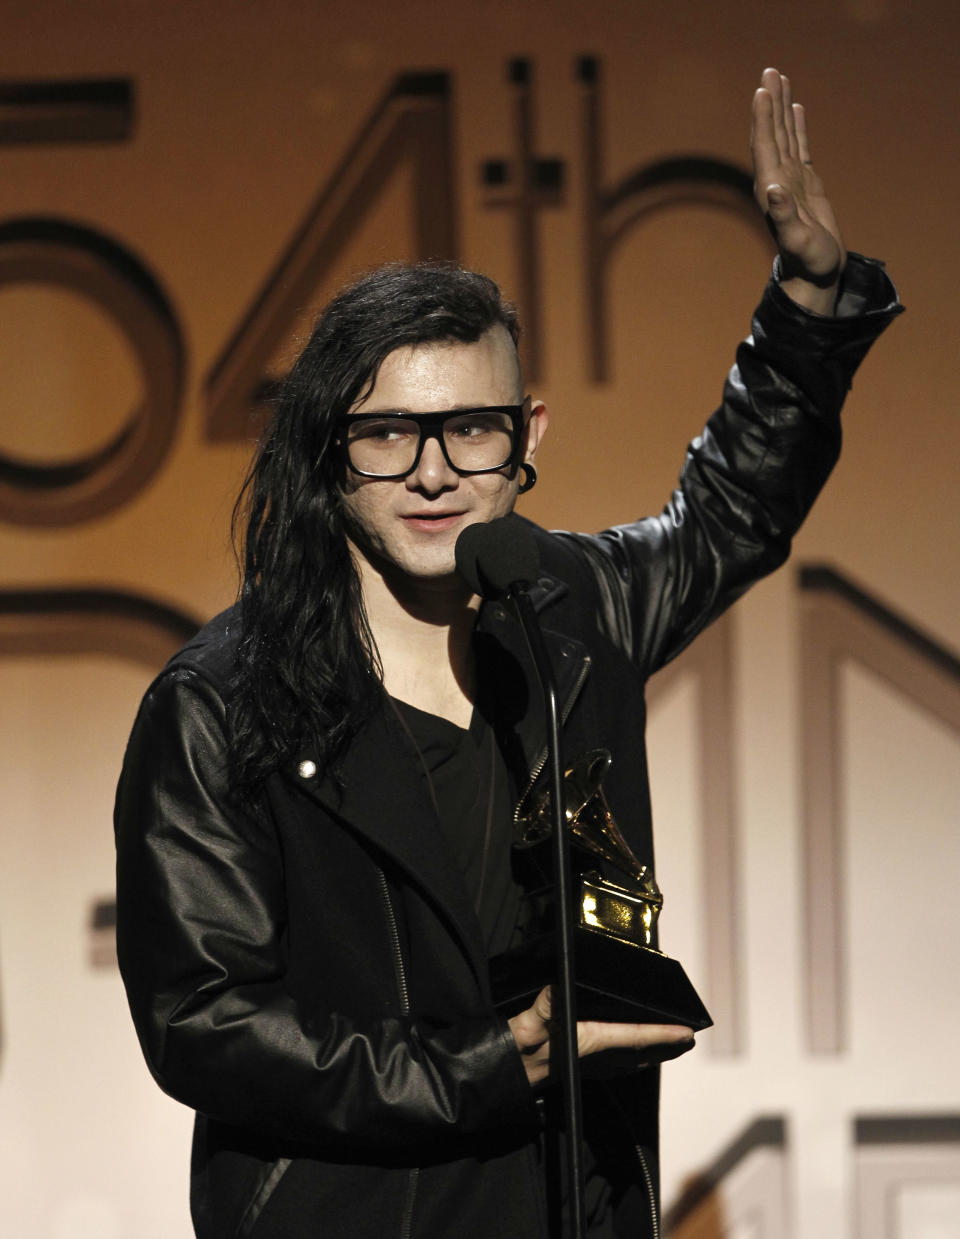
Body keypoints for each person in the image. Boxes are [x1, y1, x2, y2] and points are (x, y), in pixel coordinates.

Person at [114, 69, 901, 1239]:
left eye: (470, 429)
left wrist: (808, 296)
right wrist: (493, 1064)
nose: (434, 473)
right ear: (331, 451)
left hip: (570, 1201)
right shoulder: (220, 703)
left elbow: (734, 509)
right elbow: (205, 1021)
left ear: (525, 433)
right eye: (389, 434)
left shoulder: (571, 607)